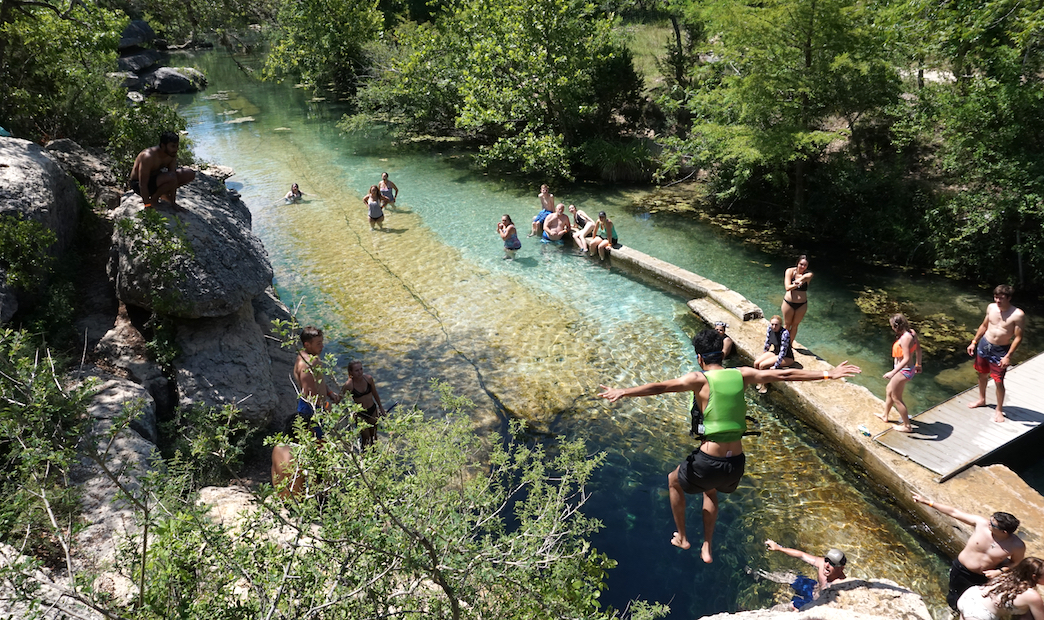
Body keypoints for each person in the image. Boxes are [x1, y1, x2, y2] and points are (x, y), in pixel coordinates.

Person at [598, 329, 861, 563]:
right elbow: (786, 373)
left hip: (708, 460)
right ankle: (708, 547)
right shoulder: (743, 374)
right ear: (722, 355)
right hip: (735, 465)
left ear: (700, 358)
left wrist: (624, 391)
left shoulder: (698, 379)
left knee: (673, 481)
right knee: (710, 491)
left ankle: (683, 537)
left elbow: (659, 387)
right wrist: (829, 373)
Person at [912, 494, 1025, 610]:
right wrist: (926, 502)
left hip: (983, 577)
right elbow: (954, 512)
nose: (988, 523)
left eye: (992, 524)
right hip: (961, 569)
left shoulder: (1017, 546)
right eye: (990, 520)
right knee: (954, 595)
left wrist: (999, 571)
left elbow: (1016, 563)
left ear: (1004, 532)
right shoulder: (981, 524)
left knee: (974, 602)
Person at [272, 326, 341, 498]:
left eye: (322, 342)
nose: (322, 346)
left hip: (308, 406)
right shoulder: (308, 363)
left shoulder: (306, 356)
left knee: (314, 445)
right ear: (307, 344)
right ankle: (320, 488)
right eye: (318, 343)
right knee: (319, 447)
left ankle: (316, 482)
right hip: (312, 409)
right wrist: (325, 407)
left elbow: (317, 381)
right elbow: (310, 392)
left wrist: (330, 393)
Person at [967, 285, 1025, 422]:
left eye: (1001, 298)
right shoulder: (991, 308)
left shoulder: (1017, 314)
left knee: (998, 380)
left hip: (1001, 349)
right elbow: (984, 325)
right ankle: (981, 399)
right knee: (982, 375)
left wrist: (1008, 356)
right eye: (996, 297)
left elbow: (1018, 337)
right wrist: (974, 342)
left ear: (1009, 298)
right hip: (984, 344)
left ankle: (999, 410)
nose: (998, 301)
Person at [764, 540, 848, 609]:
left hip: (814, 603)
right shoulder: (822, 564)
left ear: (841, 568)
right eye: (826, 560)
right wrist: (778, 548)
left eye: (832, 564)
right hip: (812, 587)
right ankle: (757, 575)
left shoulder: (840, 585)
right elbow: (802, 555)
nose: (827, 565)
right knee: (788, 576)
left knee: (789, 606)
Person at [957, 557, 1044, 620]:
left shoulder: (1008, 575)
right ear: (1034, 577)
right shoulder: (1033, 596)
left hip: (969, 596)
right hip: (981, 614)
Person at [128, 131, 196, 209]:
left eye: (177, 146)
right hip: (138, 184)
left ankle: (162, 196)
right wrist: (147, 205)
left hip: (156, 180)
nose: (176, 149)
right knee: (171, 177)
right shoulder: (148, 156)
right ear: (163, 146)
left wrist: (173, 203)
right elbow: (142, 183)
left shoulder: (171, 155)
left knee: (189, 174)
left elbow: (174, 178)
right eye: (173, 146)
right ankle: (154, 199)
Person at [879, 313, 922, 432]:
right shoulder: (912, 332)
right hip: (909, 369)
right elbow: (918, 349)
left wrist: (893, 372)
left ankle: (907, 426)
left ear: (896, 326)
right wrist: (919, 364)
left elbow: (906, 358)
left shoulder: (905, 338)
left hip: (903, 371)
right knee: (889, 390)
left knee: (896, 398)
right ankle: (885, 415)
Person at [343, 360, 385, 450]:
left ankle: (376, 456)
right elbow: (340, 398)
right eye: (356, 370)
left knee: (374, 436)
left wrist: (381, 408)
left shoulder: (368, 379)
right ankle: (364, 457)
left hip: (372, 410)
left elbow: (375, 394)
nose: (360, 372)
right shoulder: (349, 385)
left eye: (361, 369)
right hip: (360, 414)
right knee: (365, 438)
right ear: (351, 372)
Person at [753, 315, 794, 394]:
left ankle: (765, 385)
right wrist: (765, 352)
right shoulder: (769, 329)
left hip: (786, 357)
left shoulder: (784, 333)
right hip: (776, 352)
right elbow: (768, 342)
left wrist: (776, 365)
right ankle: (759, 380)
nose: (774, 326)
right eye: (772, 324)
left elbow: (783, 351)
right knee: (756, 363)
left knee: (763, 365)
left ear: (780, 325)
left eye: (776, 325)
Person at [781, 255, 813, 345]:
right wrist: (796, 284)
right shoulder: (790, 271)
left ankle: (790, 346)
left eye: (805, 265)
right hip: (788, 302)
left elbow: (808, 276)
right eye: (801, 264)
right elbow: (787, 287)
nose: (803, 267)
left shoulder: (808, 274)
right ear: (797, 263)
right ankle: (783, 344)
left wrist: (800, 280)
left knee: (795, 325)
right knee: (787, 324)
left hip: (802, 304)